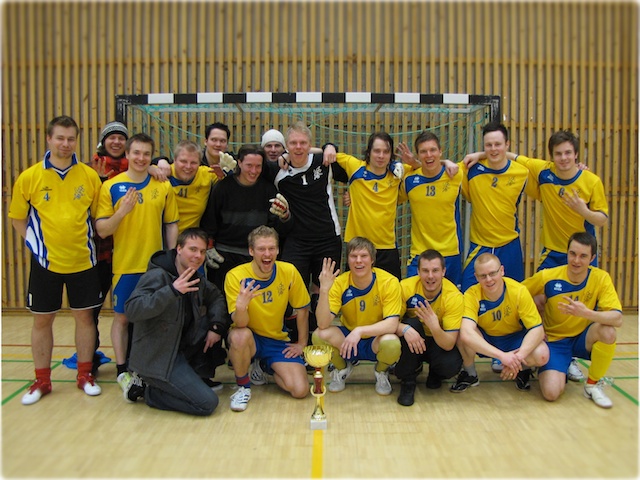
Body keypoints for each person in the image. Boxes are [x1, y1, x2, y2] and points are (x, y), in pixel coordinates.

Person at [464, 129, 609, 381]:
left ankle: (569, 358)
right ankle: (536, 354)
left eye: (568, 153)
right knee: (539, 301)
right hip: (552, 252)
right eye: (558, 154)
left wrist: (583, 210)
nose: (563, 158)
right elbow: (510, 155)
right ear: (551, 156)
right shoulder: (543, 172)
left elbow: (602, 219)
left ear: (576, 154)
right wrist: (480, 154)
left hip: (580, 253)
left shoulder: (591, 181)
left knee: (576, 306)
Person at [9, 115, 103, 405]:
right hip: (45, 264)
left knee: (85, 318)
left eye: (71, 138)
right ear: (49, 138)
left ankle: (85, 375)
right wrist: (34, 245)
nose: (65, 143)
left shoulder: (89, 176)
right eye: (60, 138)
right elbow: (17, 218)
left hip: (84, 261)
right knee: (42, 320)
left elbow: (97, 218)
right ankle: (42, 380)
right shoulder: (30, 177)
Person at [95, 133, 180, 392]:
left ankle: (150, 367)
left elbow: (171, 224)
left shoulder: (162, 186)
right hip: (125, 265)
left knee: (154, 319)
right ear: (127, 154)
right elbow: (102, 230)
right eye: (136, 153)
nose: (141, 158)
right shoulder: (111, 187)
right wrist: (122, 212)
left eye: (146, 154)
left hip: (154, 268)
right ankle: (122, 370)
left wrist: (172, 258)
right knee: (122, 318)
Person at [123, 228, 229, 415]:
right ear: (179, 249)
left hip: (180, 351)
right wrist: (171, 291)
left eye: (202, 251)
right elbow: (132, 310)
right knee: (207, 403)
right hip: (158, 357)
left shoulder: (194, 277)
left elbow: (216, 297)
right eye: (192, 249)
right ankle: (147, 390)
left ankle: (191, 377)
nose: (198, 256)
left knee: (207, 319)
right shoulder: (157, 276)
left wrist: (216, 326)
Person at [261, 121, 348, 342]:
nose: (298, 147)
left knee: (322, 291)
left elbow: (357, 174)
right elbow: (246, 165)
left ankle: (318, 342)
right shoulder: (277, 170)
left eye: (303, 143)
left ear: (310, 145)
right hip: (296, 241)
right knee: (293, 292)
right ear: (286, 146)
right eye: (293, 143)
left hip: (328, 238)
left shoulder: (324, 162)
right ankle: (297, 341)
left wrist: (330, 146)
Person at [522, 232, 622, 408]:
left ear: (592, 258)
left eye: (583, 256)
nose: (576, 260)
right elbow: (517, 295)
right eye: (572, 254)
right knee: (551, 393)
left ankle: (592, 385)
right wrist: (535, 326)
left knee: (608, 331)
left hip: (582, 338)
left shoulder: (600, 278)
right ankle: (559, 364)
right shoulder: (548, 276)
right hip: (555, 341)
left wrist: (586, 313)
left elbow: (617, 318)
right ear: (567, 253)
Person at [224, 226, 311, 412]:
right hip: (250, 337)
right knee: (239, 336)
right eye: (261, 249)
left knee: (300, 390)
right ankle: (243, 387)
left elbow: (302, 308)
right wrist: (241, 306)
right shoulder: (235, 276)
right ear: (251, 251)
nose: (267, 254)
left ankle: (264, 367)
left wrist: (302, 343)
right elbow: (240, 323)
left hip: (276, 339)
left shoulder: (288, 271)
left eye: (272, 248)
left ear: (278, 250)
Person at [313, 237, 402, 396]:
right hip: (348, 341)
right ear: (348, 260)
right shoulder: (340, 283)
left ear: (372, 259)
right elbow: (322, 323)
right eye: (354, 256)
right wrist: (324, 290)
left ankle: (381, 371)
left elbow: (391, 324)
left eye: (364, 256)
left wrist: (360, 331)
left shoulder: (389, 282)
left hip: (375, 339)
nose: (358, 261)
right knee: (319, 335)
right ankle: (342, 369)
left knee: (392, 342)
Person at [322, 133, 418, 279]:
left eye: (386, 152)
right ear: (369, 152)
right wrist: (328, 147)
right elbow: (324, 154)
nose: (381, 156)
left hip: (386, 247)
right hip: (357, 247)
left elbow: (428, 168)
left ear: (391, 155)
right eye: (377, 151)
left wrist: (414, 162)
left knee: (393, 290)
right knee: (354, 291)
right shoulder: (355, 167)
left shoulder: (398, 173)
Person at [451, 252, 549, 393]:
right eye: (483, 276)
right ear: (476, 277)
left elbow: (537, 330)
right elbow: (466, 333)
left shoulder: (519, 291)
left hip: (514, 339)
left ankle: (522, 369)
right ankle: (470, 373)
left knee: (542, 353)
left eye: (493, 273)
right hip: (487, 338)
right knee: (462, 334)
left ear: (502, 271)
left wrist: (516, 358)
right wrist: (502, 356)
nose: (489, 280)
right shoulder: (471, 294)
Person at [200, 144, 292, 292]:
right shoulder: (222, 188)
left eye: (258, 166)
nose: (253, 171)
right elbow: (210, 221)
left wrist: (285, 217)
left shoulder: (269, 190)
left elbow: (278, 228)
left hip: (257, 258)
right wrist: (209, 248)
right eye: (249, 165)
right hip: (224, 257)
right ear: (239, 163)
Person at [459, 122, 534, 292]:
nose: (493, 149)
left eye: (497, 144)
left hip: (509, 246)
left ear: (507, 145)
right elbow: (435, 168)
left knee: (514, 296)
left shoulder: (522, 173)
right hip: (480, 246)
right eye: (488, 145)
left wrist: (580, 169)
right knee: (467, 294)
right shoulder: (470, 169)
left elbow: (551, 170)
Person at [394, 249, 464, 406]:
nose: (430, 276)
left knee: (451, 365)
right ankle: (408, 380)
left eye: (435, 270)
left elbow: (449, 343)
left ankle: (435, 373)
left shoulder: (453, 296)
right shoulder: (405, 287)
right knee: (411, 324)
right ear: (418, 272)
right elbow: (390, 323)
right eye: (425, 271)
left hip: (438, 341)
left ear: (443, 272)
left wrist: (434, 326)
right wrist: (405, 329)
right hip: (414, 339)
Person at [398, 131, 464, 287]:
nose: (429, 155)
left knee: (451, 299)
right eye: (423, 151)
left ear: (440, 151)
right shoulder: (409, 179)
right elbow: (386, 197)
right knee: (412, 299)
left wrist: (447, 162)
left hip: (450, 252)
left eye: (433, 150)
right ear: (417, 155)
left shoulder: (456, 174)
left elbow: (487, 157)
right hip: (420, 254)